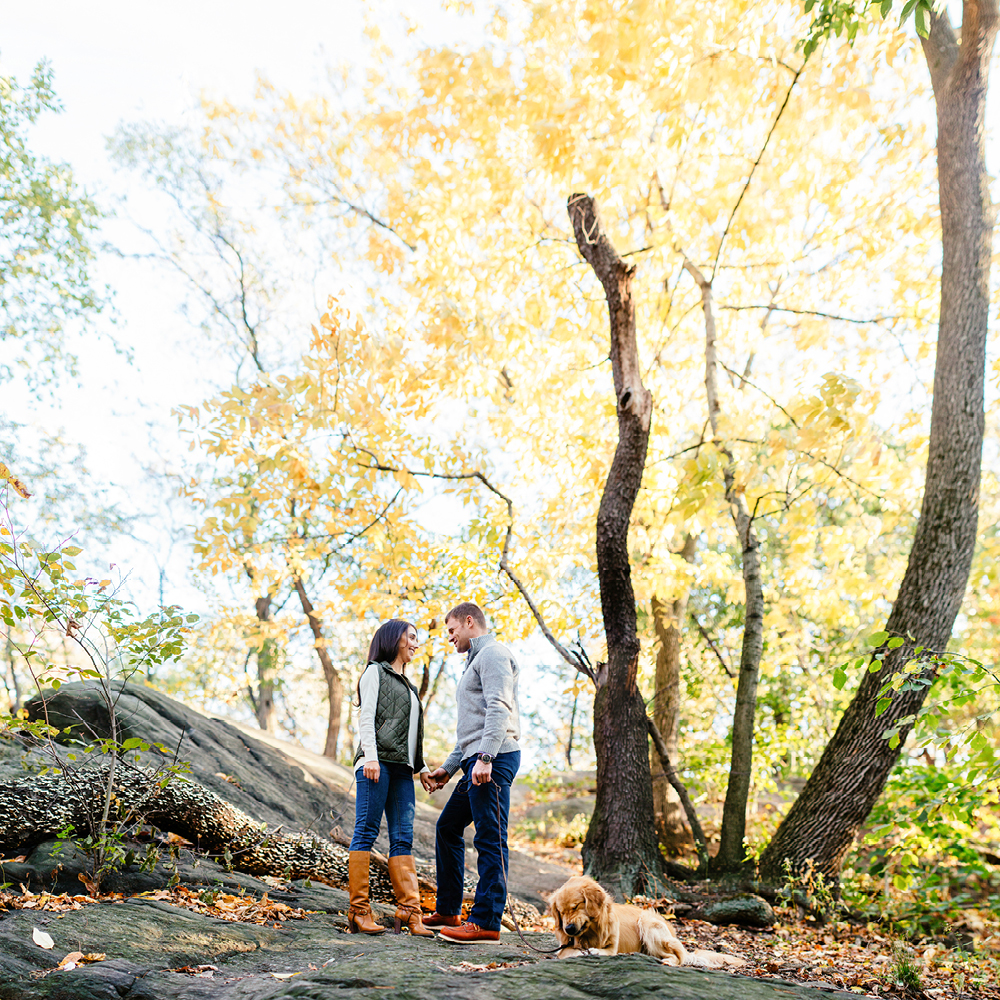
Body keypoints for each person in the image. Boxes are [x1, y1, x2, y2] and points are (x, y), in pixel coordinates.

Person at [424, 602, 521, 943]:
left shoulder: (493, 654)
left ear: (469, 622)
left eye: (451, 630)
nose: (449, 638)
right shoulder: (474, 661)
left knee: (489, 838)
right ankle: (449, 910)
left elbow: (499, 708)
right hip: (476, 761)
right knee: (448, 827)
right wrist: (449, 769)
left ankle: (486, 921)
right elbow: (473, 728)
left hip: (492, 761)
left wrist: (485, 757)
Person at [348, 619, 435, 937]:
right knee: (366, 832)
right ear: (393, 638)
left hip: (402, 769)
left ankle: (410, 913)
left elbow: (412, 735)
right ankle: (358, 911)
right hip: (376, 764)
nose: (415, 643)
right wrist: (370, 756)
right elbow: (366, 716)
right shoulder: (375, 672)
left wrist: (421, 767)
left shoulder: (410, 687)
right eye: (411, 637)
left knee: (403, 837)